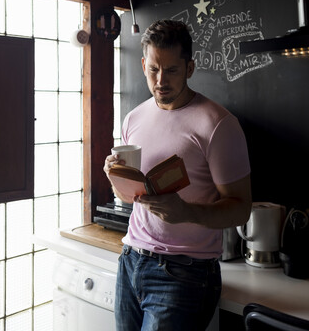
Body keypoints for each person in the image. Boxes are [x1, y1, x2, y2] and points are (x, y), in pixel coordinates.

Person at [103, 19, 252, 331]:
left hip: (185, 275)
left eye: (171, 70)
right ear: (143, 64)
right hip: (130, 260)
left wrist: (186, 212)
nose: (161, 80)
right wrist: (116, 176)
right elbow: (129, 198)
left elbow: (240, 208)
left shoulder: (218, 124)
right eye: (154, 69)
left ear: (190, 68)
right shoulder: (134, 118)